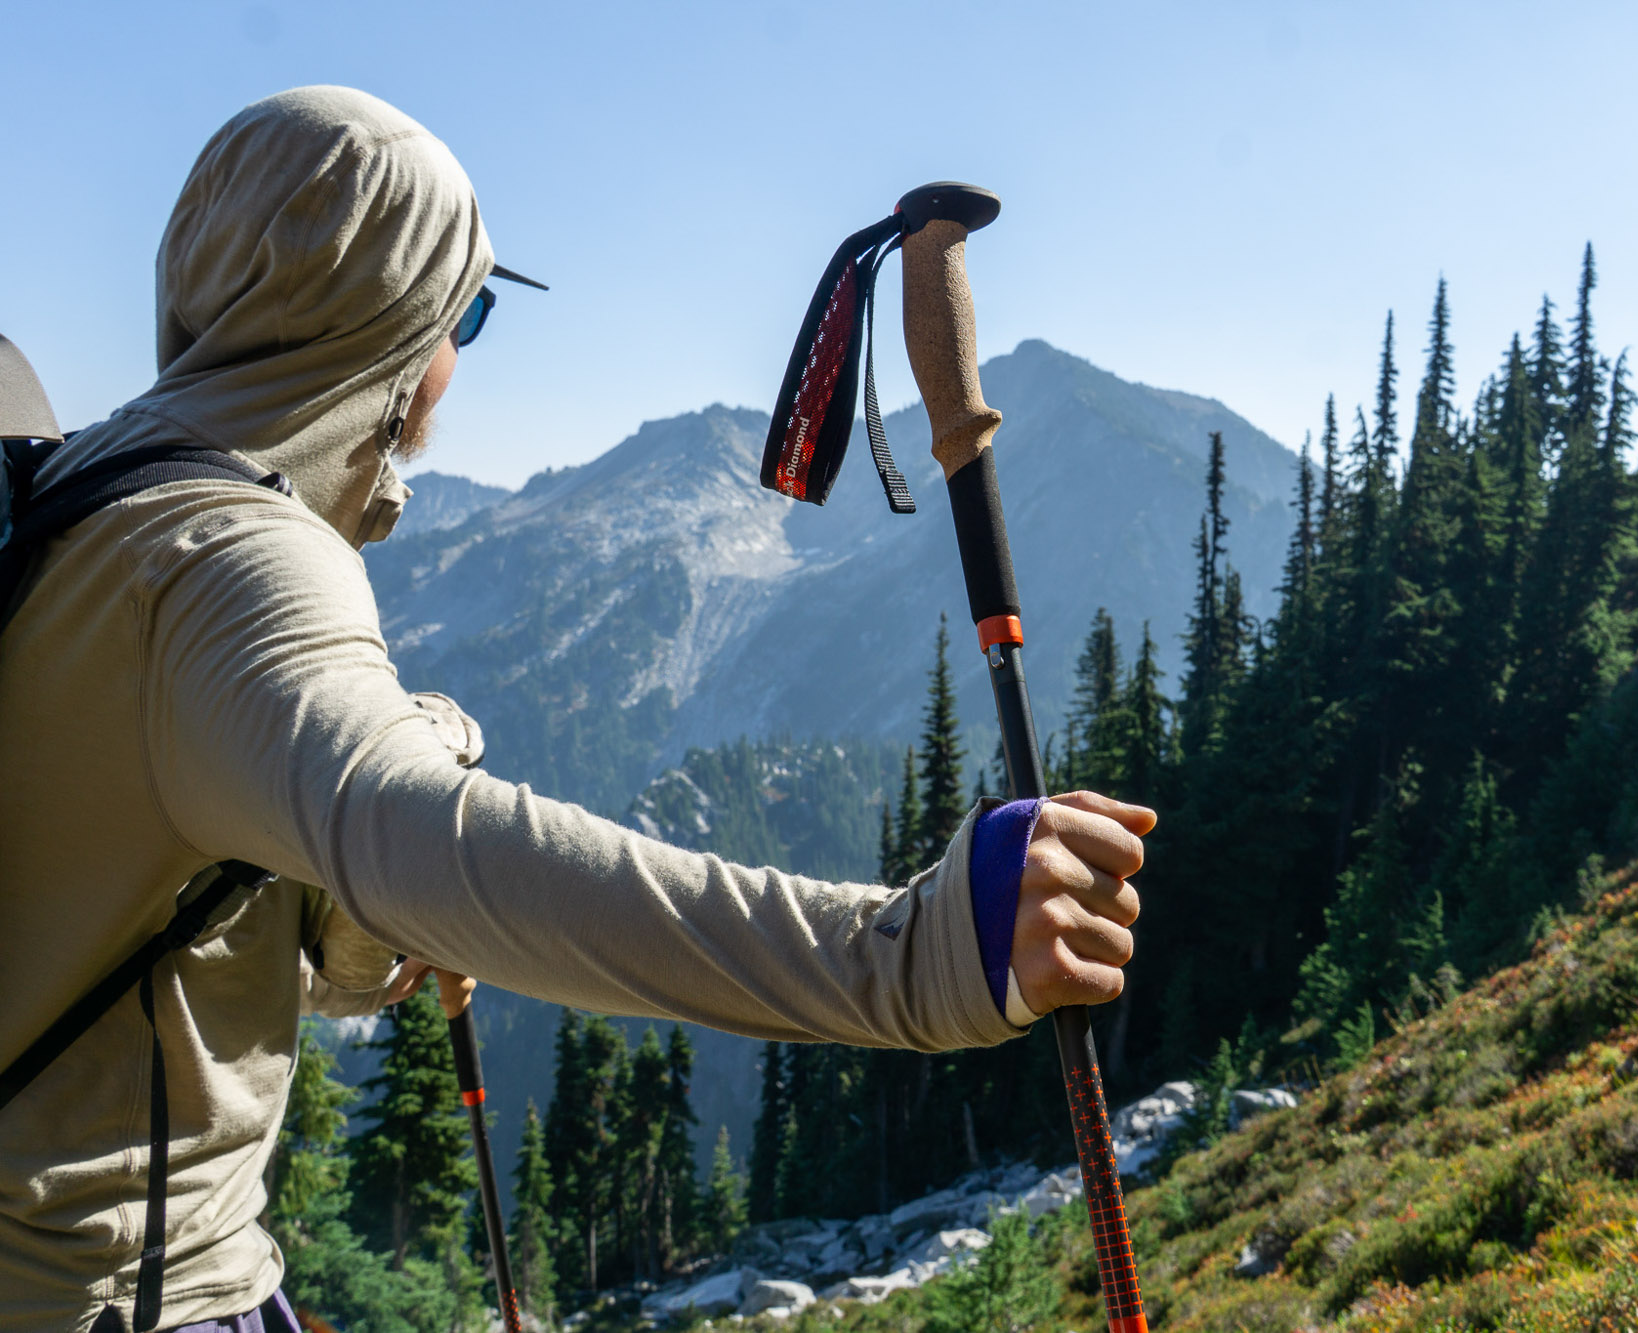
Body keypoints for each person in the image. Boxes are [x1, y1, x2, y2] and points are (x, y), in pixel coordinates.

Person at [0, 86, 1152, 1333]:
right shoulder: (232, 561)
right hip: (131, 1299)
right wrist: (916, 956)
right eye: (468, 315)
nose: (458, 361)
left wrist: (340, 908)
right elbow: (442, 850)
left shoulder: (73, 500)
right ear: (388, 331)